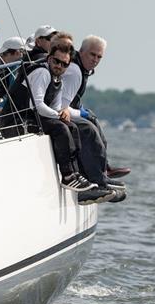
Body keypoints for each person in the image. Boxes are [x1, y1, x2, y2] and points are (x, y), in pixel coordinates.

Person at [9, 39, 115, 204]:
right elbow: (36, 105)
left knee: (71, 127)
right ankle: (67, 176)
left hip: (33, 116)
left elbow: (57, 106)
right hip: (18, 118)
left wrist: (62, 114)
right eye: (56, 61)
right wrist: (59, 116)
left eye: (64, 64)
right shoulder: (42, 73)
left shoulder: (57, 79)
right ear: (49, 58)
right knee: (61, 128)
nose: (59, 66)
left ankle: (76, 174)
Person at [61, 35, 131, 179]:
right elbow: (62, 106)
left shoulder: (83, 69)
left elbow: (73, 99)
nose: (95, 60)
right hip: (60, 113)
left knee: (94, 121)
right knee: (89, 130)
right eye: (92, 54)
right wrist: (81, 114)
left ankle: (105, 167)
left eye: (99, 57)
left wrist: (83, 111)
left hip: (68, 110)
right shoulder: (75, 71)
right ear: (81, 52)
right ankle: (97, 177)